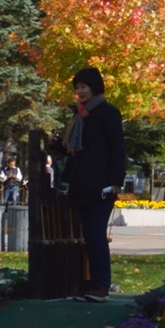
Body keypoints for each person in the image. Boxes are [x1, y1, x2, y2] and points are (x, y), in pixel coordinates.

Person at [63, 66, 126, 301]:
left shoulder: (108, 113)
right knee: (88, 236)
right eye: (77, 87)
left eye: (83, 87)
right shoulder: (79, 116)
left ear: (94, 87)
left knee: (96, 233)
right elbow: (76, 150)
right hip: (82, 184)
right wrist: (57, 144)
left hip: (102, 185)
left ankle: (102, 285)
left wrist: (116, 182)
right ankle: (93, 283)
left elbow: (117, 149)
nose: (79, 92)